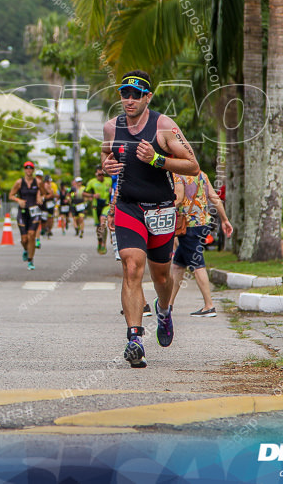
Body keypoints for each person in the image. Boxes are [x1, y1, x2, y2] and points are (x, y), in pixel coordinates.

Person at [103, 70, 199, 369]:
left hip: (161, 208)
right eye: (124, 93)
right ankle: (134, 338)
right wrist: (106, 167)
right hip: (128, 207)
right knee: (132, 267)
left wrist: (157, 160)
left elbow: (193, 166)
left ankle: (165, 309)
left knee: (160, 276)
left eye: (136, 94)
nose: (129, 100)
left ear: (148, 97)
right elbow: (107, 158)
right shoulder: (111, 127)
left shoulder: (164, 127)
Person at [168, 171, 233, 317]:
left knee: (197, 265)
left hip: (188, 225)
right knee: (178, 265)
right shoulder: (201, 174)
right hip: (202, 223)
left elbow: (177, 199)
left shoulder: (178, 175)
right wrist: (224, 219)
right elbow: (214, 197)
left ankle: (209, 306)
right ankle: (168, 304)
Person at [9, 161, 43, 270]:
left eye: (31, 168)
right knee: (24, 239)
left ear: (33, 170)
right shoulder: (19, 182)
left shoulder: (38, 182)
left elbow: (45, 193)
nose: (29, 170)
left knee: (32, 235)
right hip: (23, 212)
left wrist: (39, 196)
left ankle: (30, 260)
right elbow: (11, 195)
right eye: (27, 168)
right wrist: (18, 200)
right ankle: (26, 250)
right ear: (24, 170)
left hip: (34, 211)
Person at [85, 168, 113, 254]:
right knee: (98, 227)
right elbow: (84, 193)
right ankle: (99, 242)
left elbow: (116, 188)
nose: (101, 176)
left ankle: (104, 244)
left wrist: (112, 191)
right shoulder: (92, 182)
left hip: (106, 205)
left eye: (102, 174)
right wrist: (93, 195)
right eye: (99, 175)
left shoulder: (109, 180)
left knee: (103, 222)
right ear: (96, 175)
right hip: (96, 206)